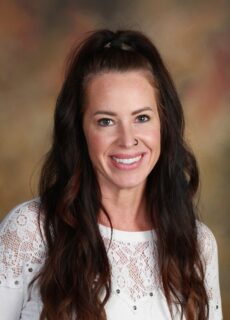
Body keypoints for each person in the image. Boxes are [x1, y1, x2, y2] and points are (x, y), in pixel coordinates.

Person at [0, 29, 222, 320]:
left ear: (163, 125)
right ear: (79, 130)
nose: (127, 139)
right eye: (106, 121)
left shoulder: (197, 244)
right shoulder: (31, 231)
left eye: (142, 118)